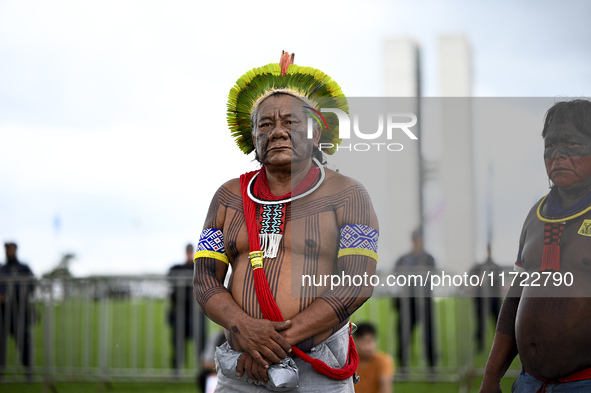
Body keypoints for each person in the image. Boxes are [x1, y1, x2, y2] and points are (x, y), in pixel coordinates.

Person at [193, 51, 379, 392]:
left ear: (315, 134)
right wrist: (243, 328)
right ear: (253, 138)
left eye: (290, 122)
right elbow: (204, 278)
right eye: (265, 124)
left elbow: (357, 282)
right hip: (242, 369)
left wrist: (268, 345)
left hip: (317, 368)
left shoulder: (349, 195)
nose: (277, 132)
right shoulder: (228, 197)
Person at [480, 99, 591, 393]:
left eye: (572, 144)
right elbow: (514, 300)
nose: (558, 155)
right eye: (550, 146)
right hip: (530, 383)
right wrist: (491, 377)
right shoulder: (537, 214)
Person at [391, 228, 436, 372]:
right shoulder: (403, 259)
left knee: (429, 335)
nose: (419, 242)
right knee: (403, 334)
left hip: (425, 300)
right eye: (417, 239)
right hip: (407, 301)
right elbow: (396, 274)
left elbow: (434, 275)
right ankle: (403, 367)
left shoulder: (429, 258)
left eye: (421, 239)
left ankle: (432, 368)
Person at [167, 243, 205, 373]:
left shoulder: (198, 267)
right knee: (178, 342)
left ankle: (202, 370)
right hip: (180, 311)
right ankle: (177, 370)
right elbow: (170, 275)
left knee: (201, 342)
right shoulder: (178, 267)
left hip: (196, 311)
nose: (189, 254)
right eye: (188, 251)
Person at [0, 242, 35, 380]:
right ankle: (1, 372)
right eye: (8, 249)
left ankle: (28, 371)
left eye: (12, 249)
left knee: (24, 341)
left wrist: (14, 297)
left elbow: (31, 285)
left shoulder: (24, 268)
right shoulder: (1, 269)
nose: (10, 251)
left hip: (19, 312)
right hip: (2, 313)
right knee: (1, 343)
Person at [468, 244, 502, 353]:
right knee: (481, 322)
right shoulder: (478, 267)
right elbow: (471, 279)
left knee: (498, 322)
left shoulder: (495, 266)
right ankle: (480, 345)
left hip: (494, 298)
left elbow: (498, 283)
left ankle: (501, 345)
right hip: (481, 299)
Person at [353, 323, 395, 393]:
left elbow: (385, 387)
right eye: (363, 342)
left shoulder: (383, 361)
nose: (368, 347)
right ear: (355, 342)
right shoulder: (349, 362)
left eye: (370, 341)